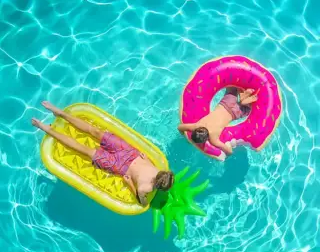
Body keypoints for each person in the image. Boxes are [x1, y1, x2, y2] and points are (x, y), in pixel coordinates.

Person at [32, 102, 174, 206]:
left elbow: (146, 161)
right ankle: (46, 125)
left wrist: (144, 160)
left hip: (128, 155)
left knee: (94, 134)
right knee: (84, 149)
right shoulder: (146, 188)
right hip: (124, 161)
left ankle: (57, 115)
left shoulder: (159, 170)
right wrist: (130, 181)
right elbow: (142, 202)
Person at [178, 87, 257, 155]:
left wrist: (228, 153)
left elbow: (229, 151)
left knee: (247, 110)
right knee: (232, 88)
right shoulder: (196, 126)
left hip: (234, 113)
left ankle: (245, 103)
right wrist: (182, 133)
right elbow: (180, 127)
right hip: (226, 103)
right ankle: (240, 95)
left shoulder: (213, 139)